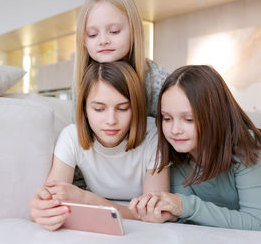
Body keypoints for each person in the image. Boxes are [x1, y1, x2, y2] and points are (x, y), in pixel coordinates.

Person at [129, 65, 261, 231]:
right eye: (167, 118)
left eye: (189, 119)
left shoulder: (246, 146)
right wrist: (171, 214)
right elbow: (186, 211)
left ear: (214, 115)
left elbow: (260, 224)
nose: (175, 130)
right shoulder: (175, 150)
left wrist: (185, 206)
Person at [30, 61, 170, 231]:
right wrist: (42, 210)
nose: (111, 120)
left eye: (123, 108)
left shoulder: (153, 135)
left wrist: (87, 199)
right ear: (84, 110)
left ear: (136, 109)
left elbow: (154, 213)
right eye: (99, 109)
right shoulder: (71, 136)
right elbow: (51, 196)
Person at [73, 0, 169, 119]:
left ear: (134, 31)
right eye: (92, 34)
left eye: (114, 31)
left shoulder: (158, 79)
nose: (103, 40)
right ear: (83, 40)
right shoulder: (81, 79)